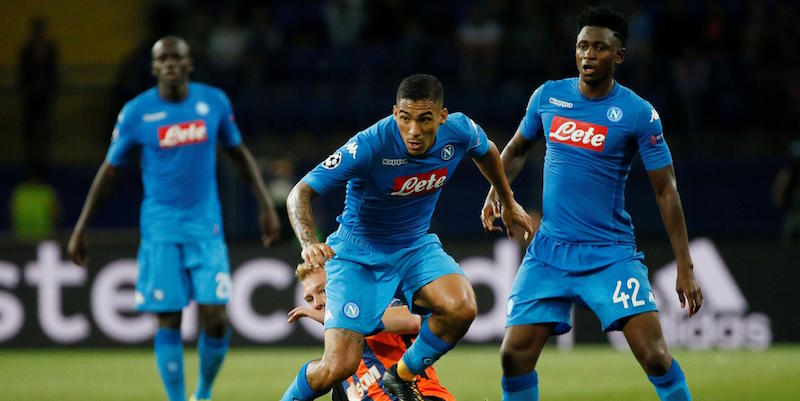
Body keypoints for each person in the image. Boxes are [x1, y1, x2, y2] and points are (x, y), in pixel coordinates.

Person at [481, 7, 703, 401]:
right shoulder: (548, 96)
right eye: (582, 46)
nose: (588, 55)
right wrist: (499, 190)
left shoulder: (638, 113)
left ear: (618, 56)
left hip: (609, 254)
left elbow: (666, 189)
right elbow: (515, 150)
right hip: (549, 251)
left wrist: (684, 265)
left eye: (599, 47)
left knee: (654, 356)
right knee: (514, 356)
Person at [281, 73, 534, 401]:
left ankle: (400, 377)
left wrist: (506, 198)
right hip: (360, 253)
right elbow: (299, 193)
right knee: (338, 367)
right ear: (395, 113)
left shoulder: (459, 130)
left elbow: (487, 151)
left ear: (442, 117)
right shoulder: (370, 144)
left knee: (461, 307)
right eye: (404, 118)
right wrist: (308, 242)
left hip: (414, 245)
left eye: (424, 119)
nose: (413, 130)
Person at [67, 36, 280, 401]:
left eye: (176, 57)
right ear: (153, 67)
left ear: (188, 64)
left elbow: (238, 154)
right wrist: (81, 227)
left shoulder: (213, 102)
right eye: (162, 59)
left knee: (215, 317)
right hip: (161, 228)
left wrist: (265, 204)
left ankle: (204, 391)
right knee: (169, 317)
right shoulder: (136, 113)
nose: (169, 64)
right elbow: (109, 172)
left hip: (206, 226)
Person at [289, 263, 455, 401]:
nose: (317, 303)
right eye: (310, 299)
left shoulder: (377, 308)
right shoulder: (340, 372)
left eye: (323, 290)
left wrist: (342, 318)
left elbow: (412, 320)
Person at [18, 16, 58, 171]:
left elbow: (53, 73)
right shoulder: (27, 50)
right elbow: (22, 74)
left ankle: (42, 167)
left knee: (43, 133)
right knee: (30, 134)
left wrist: (51, 90)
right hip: (30, 98)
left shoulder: (50, 49)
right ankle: (30, 167)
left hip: (44, 97)